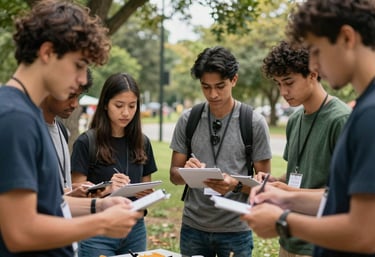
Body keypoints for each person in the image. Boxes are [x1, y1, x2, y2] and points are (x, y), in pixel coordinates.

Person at [0, 1, 143, 256]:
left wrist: (100, 205)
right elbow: (19, 231)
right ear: (47, 52)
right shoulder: (15, 118)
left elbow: (49, 205)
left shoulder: (29, 115)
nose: (81, 79)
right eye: (79, 65)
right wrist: (101, 223)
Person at [243, 0, 375, 256]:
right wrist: (284, 196)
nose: (313, 65)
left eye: (316, 50)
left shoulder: (368, 114)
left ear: (347, 37)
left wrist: (283, 221)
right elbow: (338, 200)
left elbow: (365, 233)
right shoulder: (364, 109)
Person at [169, 46, 272, 257]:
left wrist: (235, 184)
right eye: (205, 87)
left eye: (220, 86)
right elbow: (173, 175)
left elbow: (264, 186)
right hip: (193, 227)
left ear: (234, 80)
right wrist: (187, 172)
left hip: (236, 229)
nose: (213, 94)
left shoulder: (253, 122)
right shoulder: (189, 119)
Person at [257, 40, 350, 257]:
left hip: (321, 242)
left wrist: (288, 192)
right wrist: (275, 183)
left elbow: (344, 195)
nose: (283, 91)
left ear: (313, 74)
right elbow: (298, 175)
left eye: (289, 82)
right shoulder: (295, 119)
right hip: (289, 238)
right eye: (278, 84)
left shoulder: (341, 119)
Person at [71, 72, 158, 257]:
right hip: (98, 229)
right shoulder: (87, 142)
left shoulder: (143, 142)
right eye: (119, 105)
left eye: (132, 106)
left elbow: (145, 185)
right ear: (105, 104)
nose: (126, 112)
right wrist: (108, 188)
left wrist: (146, 194)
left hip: (135, 228)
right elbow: (76, 192)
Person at [41, 69, 95, 197]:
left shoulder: (61, 129)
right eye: (70, 96)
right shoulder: (28, 132)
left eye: (78, 96)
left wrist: (75, 189)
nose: (75, 104)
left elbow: (58, 186)